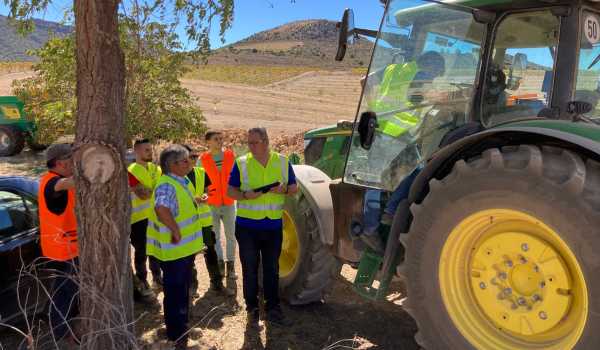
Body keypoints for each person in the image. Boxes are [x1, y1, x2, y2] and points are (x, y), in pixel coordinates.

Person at [227, 127, 298, 326]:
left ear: (266, 141)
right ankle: (252, 309)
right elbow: (230, 191)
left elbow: (294, 188)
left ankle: (273, 308)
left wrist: (283, 189)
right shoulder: (241, 163)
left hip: (273, 227)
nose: (250, 146)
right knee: (249, 269)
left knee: (271, 269)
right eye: (249, 142)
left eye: (254, 142)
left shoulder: (283, 162)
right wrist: (244, 195)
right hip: (247, 227)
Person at [146, 145, 205, 349]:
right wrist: (175, 230)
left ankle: (181, 328)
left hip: (184, 251)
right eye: (185, 160)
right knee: (175, 293)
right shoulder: (166, 185)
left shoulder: (181, 180)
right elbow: (161, 207)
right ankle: (176, 335)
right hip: (174, 252)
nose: (189, 162)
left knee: (181, 292)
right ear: (172, 165)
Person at [38, 143, 79, 343]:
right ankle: (62, 333)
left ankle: (63, 326)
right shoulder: (52, 182)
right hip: (62, 251)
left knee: (66, 291)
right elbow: (62, 185)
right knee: (64, 294)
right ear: (61, 163)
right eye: (72, 160)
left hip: (69, 248)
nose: (75, 163)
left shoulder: (59, 180)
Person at [183, 145, 232, 297]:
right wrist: (193, 199)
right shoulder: (176, 177)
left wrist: (206, 196)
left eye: (195, 157)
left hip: (204, 222)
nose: (194, 160)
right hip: (187, 224)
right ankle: (191, 288)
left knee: (210, 252)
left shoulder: (201, 172)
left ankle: (217, 284)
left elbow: (210, 191)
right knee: (189, 256)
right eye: (191, 157)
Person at [128, 138, 162, 299]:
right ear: (136, 152)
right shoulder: (131, 171)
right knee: (141, 252)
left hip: (155, 217)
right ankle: (143, 282)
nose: (150, 152)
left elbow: (160, 191)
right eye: (146, 150)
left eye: (151, 149)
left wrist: (152, 189)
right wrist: (154, 189)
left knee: (155, 249)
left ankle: (157, 278)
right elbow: (144, 194)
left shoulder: (156, 169)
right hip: (138, 219)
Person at [200, 131, 237, 279]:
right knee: (215, 237)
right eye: (216, 139)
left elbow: (236, 176)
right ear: (208, 142)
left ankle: (231, 268)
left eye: (221, 138)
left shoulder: (230, 155)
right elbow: (199, 181)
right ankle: (220, 264)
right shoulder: (202, 159)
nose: (220, 141)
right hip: (211, 204)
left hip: (228, 202)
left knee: (231, 236)